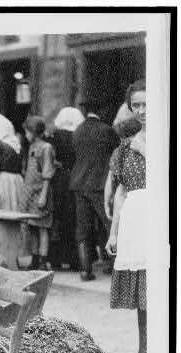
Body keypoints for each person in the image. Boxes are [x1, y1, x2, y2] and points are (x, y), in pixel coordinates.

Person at [105, 79, 147, 353]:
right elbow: (120, 191)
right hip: (135, 217)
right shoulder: (125, 147)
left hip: (162, 216)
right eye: (136, 106)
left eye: (147, 104)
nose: (142, 110)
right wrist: (114, 232)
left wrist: (145, 150)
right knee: (143, 289)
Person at [70, 98, 121, 280]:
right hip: (100, 184)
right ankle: (116, 269)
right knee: (109, 224)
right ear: (102, 112)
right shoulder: (107, 131)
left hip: (79, 184)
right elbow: (118, 153)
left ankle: (85, 270)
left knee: (82, 228)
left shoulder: (77, 131)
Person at [47, 107, 85, 269]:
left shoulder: (54, 137)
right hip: (75, 177)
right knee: (73, 218)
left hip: (59, 179)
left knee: (57, 218)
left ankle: (55, 258)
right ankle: (74, 259)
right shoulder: (80, 136)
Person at [18, 116, 56, 271]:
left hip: (41, 191)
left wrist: (43, 196)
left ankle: (42, 260)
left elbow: (47, 173)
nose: (25, 135)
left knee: (42, 228)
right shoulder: (32, 146)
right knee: (32, 227)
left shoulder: (46, 148)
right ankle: (34, 257)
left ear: (33, 132)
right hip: (30, 193)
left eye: (27, 131)